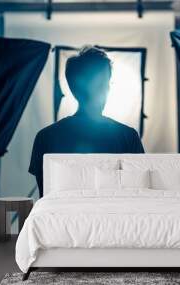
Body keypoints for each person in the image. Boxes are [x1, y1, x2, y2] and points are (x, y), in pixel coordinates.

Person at [29, 46, 145, 197]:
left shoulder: (45, 137)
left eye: (107, 83)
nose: (106, 89)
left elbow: (47, 199)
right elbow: (138, 195)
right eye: (103, 83)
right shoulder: (127, 136)